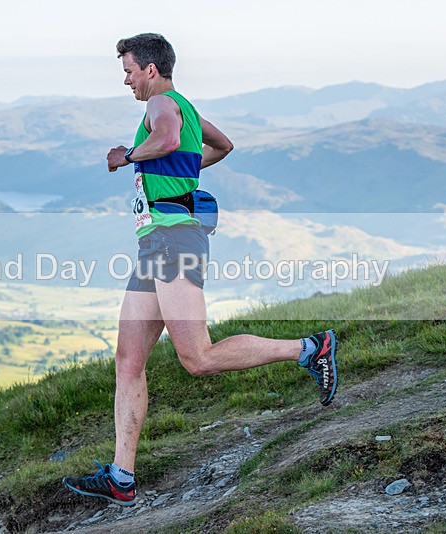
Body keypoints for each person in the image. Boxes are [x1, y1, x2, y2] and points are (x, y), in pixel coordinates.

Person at [63, 33, 338, 506]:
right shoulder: (184, 107)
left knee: (197, 357)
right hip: (155, 242)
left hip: (173, 240)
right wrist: (186, 172)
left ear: (151, 69)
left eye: (129, 70)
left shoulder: (161, 105)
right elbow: (222, 145)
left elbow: (167, 137)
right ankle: (121, 478)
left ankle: (311, 349)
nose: (125, 79)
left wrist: (126, 156)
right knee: (129, 361)